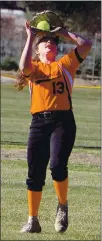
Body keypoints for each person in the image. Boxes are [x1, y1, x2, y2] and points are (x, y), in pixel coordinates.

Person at [16, 19, 92, 233]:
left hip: (63, 121)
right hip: (39, 122)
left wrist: (66, 33)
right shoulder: (34, 68)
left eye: (52, 41)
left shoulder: (65, 64)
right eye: (45, 41)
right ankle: (33, 220)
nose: (49, 43)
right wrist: (31, 36)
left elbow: (85, 45)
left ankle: (62, 206)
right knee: (34, 172)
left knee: (57, 166)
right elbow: (23, 67)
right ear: (38, 50)